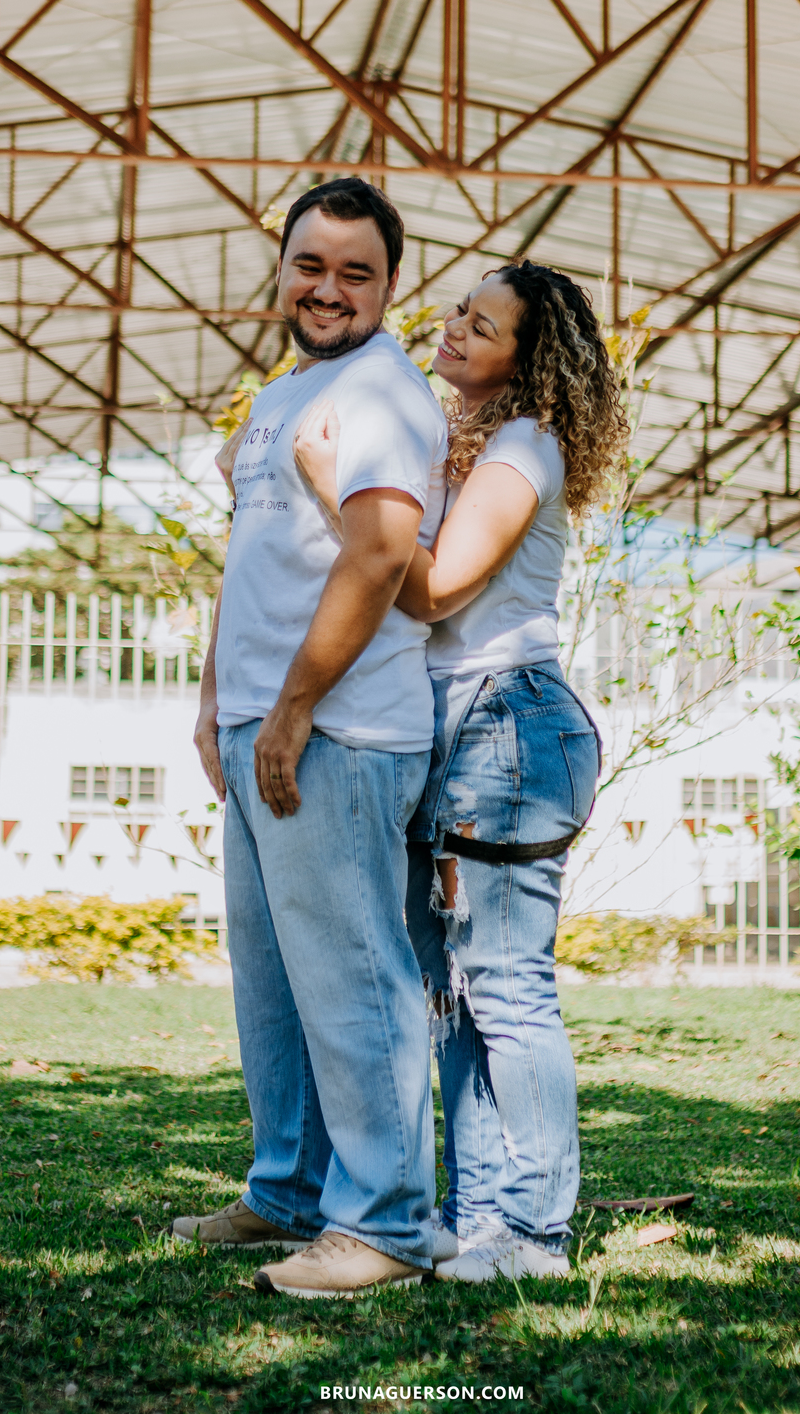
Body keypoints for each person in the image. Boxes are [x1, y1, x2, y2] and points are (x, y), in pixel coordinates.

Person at [294, 259, 627, 1282]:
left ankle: (530, 1234)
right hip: (461, 728)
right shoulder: (466, 445)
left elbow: (431, 589)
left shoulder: (525, 445)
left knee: (507, 988)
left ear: (527, 364)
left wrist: (327, 484)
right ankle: (477, 1220)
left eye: (483, 327)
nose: (454, 331)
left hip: (507, 727)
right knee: (450, 990)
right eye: (459, 313)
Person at [173, 178, 449, 1300]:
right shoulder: (281, 398)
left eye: (356, 271)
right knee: (275, 980)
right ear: (281, 266)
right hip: (258, 726)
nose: (327, 288)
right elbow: (251, 564)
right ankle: (286, 1191)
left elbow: (380, 558)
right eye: (310, 264)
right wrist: (215, 702)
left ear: (391, 285)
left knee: (353, 978)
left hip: (337, 731)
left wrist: (290, 712)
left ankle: (382, 1225)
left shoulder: (384, 393)